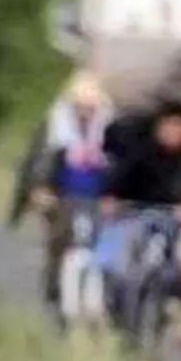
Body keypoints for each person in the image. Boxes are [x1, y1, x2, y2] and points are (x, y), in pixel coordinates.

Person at [95, 99, 181, 328]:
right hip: (138, 216)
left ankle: (177, 304)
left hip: (177, 222)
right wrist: (110, 198)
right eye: (167, 125)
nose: (172, 132)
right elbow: (117, 181)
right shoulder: (142, 152)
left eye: (178, 126)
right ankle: (116, 311)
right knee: (119, 263)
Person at [23, 70, 119, 312]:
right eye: (81, 107)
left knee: (101, 248)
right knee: (59, 243)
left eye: (90, 107)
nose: (85, 112)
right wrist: (40, 189)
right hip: (62, 195)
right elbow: (39, 162)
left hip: (96, 197)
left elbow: (117, 164)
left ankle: (100, 302)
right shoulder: (55, 125)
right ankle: (55, 292)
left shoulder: (110, 128)